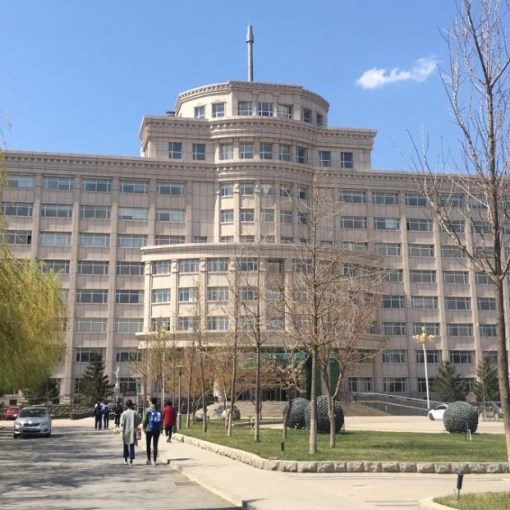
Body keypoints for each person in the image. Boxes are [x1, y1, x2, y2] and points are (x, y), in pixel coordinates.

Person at [142, 396, 162, 465]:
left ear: (150, 402)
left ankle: (149, 459)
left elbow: (145, 420)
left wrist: (143, 427)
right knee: (155, 445)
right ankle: (154, 460)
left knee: (148, 444)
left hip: (149, 429)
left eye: (149, 401)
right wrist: (160, 428)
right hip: (157, 429)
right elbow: (161, 420)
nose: (148, 402)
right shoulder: (159, 410)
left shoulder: (147, 410)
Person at [121, 399, 141, 465]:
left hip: (125, 430)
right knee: (132, 444)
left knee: (125, 444)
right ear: (132, 405)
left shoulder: (124, 413)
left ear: (126, 405)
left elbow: (121, 423)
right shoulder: (135, 412)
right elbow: (140, 419)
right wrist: (135, 424)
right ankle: (131, 460)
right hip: (133, 430)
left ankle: (125, 459)